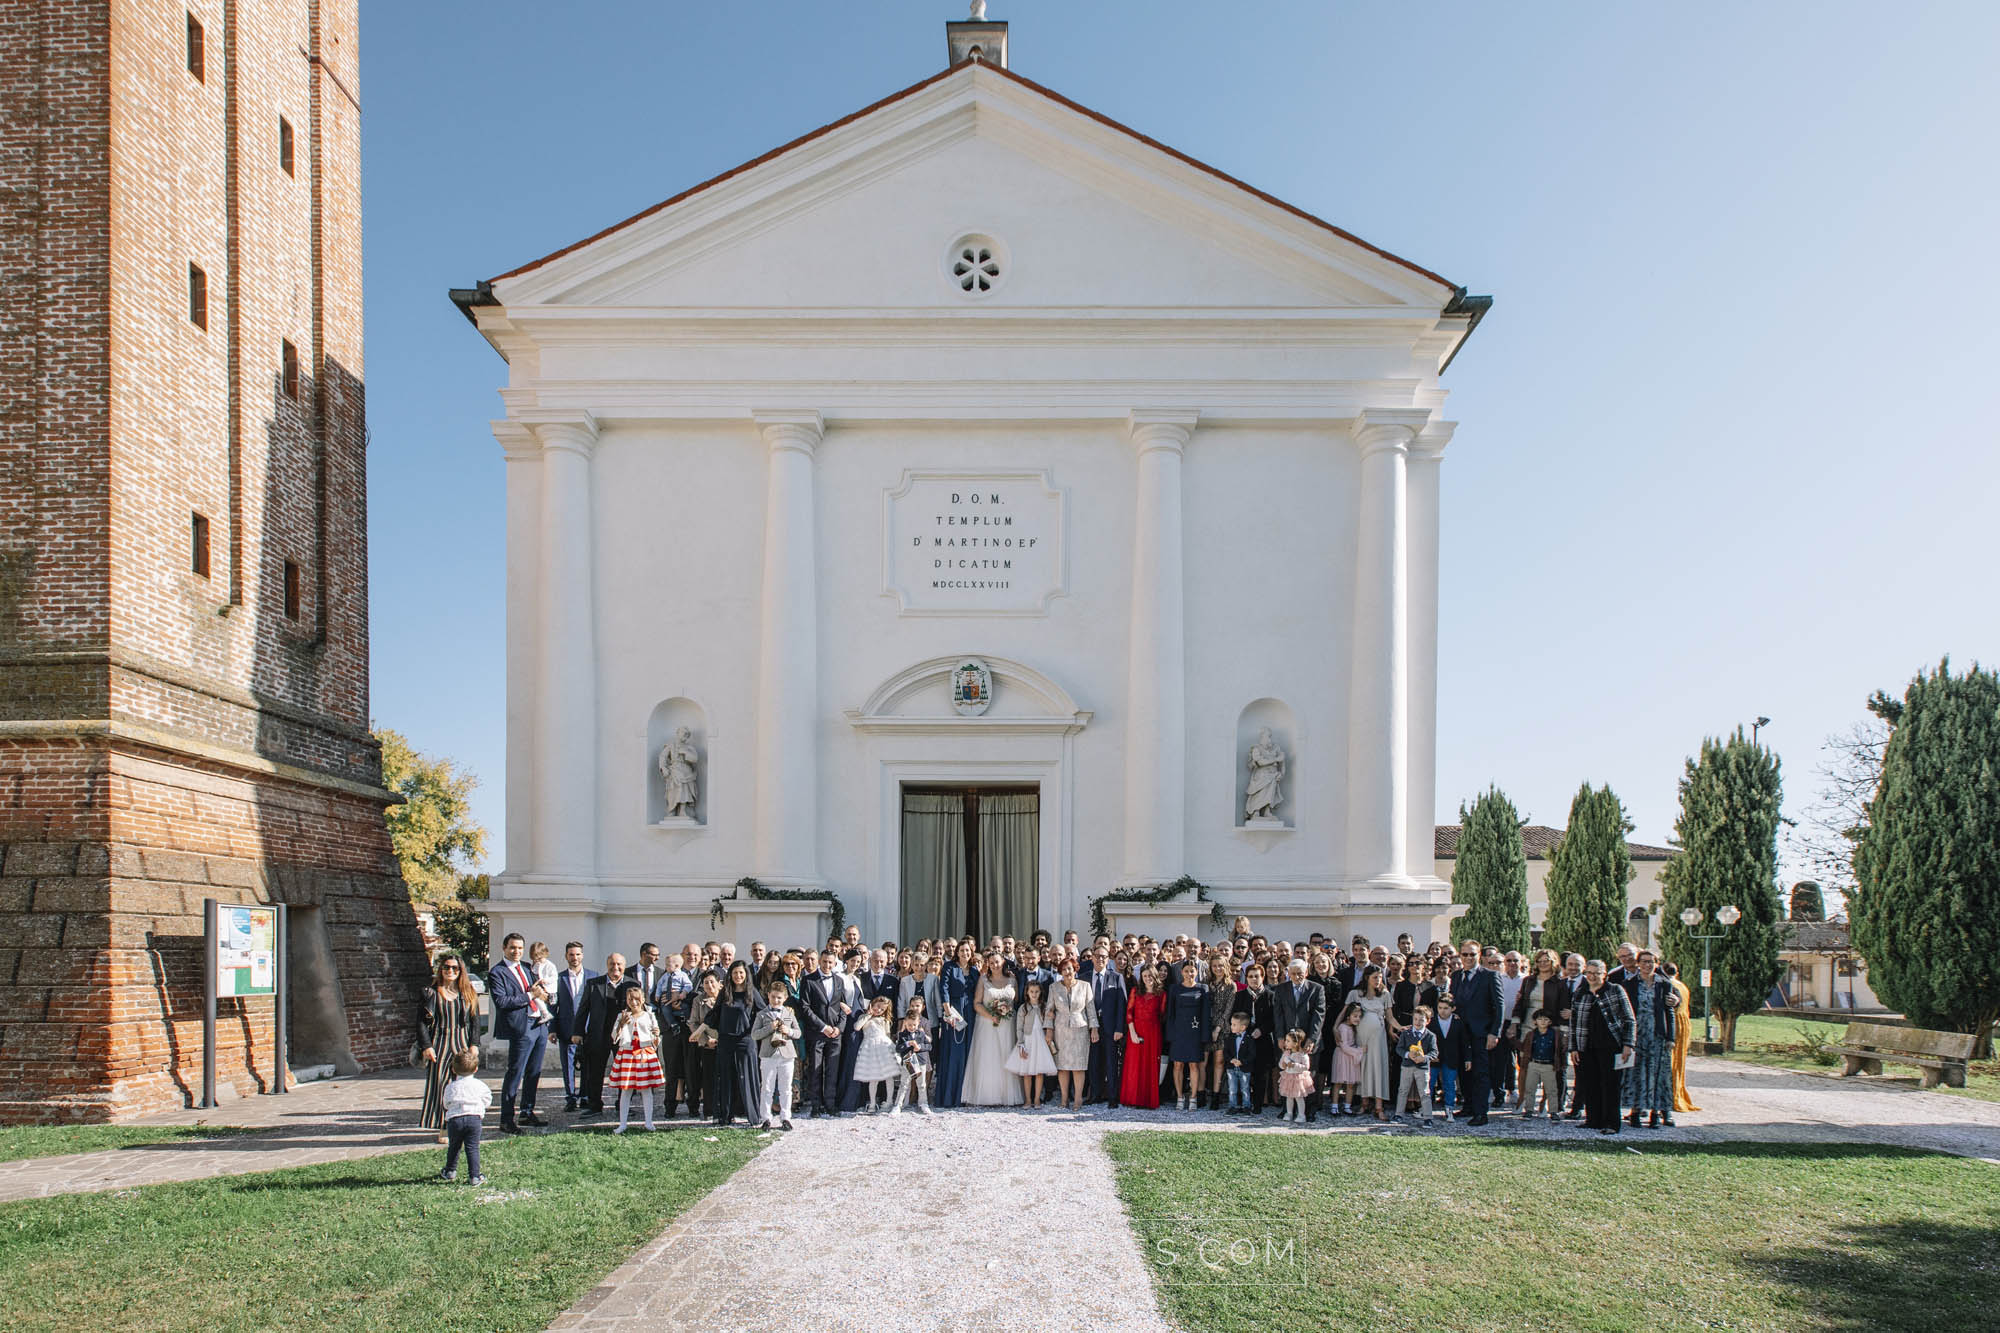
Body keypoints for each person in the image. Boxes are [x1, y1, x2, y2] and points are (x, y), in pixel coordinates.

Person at [486, 932, 550, 1133]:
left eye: (520, 948)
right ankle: (506, 1119)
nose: (517, 951)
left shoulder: (526, 968)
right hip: (521, 1028)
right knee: (515, 1073)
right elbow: (502, 1002)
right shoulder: (497, 972)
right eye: (513, 948)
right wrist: (531, 994)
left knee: (534, 1072)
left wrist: (545, 995)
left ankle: (527, 1112)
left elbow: (538, 990)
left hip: (538, 1025)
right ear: (504, 948)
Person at [1568, 958, 1636, 1134]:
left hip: (1611, 1044)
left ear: (1604, 974)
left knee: (1611, 1085)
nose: (1592, 976)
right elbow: (1574, 1023)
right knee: (1590, 1083)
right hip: (1586, 1045)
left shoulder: (1615, 990)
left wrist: (1628, 1044)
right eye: (1589, 973)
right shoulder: (1580, 992)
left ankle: (1611, 1123)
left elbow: (1629, 1019)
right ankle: (1593, 1119)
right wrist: (1573, 1047)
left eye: (1596, 973)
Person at [419, 953, 480, 1139]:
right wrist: (426, 1046)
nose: (450, 971)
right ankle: (443, 1125)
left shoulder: (468, 992)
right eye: (446, 967)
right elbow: (420, 1022)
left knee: (461, 1086)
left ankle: (459, 1123)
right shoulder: (431, 992)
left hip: (461, 1043)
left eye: (455, 968)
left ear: (461, 970)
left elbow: (475, 1020)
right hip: (439, 1042)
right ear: (441, 969)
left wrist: (474, 1044)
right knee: (440, 1085)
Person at [1623, 949, 1682, 1128]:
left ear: (1656, 964)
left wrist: (1670, 1037)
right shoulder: (1630, 984)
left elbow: (1669, 1011)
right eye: (1644, 961)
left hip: (1657, 1034)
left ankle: (1656, 1112)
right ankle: (1635, 1110)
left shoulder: (1663, 984)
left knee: (1657, 1074)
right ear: (1638, 964)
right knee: (1636, 1072)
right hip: (1637, 1034)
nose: (1648, 965)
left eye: (1651, 961)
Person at [1449, 940, 1503, 1126]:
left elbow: (1499, 1006)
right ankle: (1469, 1106)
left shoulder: (1489, 976)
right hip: (1461, 1033)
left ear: (1479, 955)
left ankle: (1481, 1113)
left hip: (1482, 1033)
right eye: (1465, 954)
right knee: (1465, 1072)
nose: (1468, 958)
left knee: (1481, 1072)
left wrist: (1494, 1033)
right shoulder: (1456, 976)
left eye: (1472, 954)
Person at [964, 951, 1025, 1106]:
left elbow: (1016, 1000)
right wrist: (991, 1015)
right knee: (989, 1058)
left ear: (1003, 962)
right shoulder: (983, 979)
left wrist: (1005, 1009)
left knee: (1006, 1055)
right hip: (987, 1023)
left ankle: (1007, 1096)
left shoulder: (1012, 979)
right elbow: (976, 1003)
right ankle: (988, 1095)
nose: (995, 965)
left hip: (1007, 1023)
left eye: (997, 962)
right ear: (988, 964)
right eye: (991, 963)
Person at [709, 960, 763, 1125]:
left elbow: (763, 1013)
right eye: (735, 973)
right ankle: (725, 1115)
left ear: (746, 974)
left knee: (747, 1077)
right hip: (726, 1040)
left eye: (741, 973)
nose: (738, 976)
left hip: (745, 1040)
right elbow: (715, 1014)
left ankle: (752, 1116)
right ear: (730, 975)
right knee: (725, 1078)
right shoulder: (725, 992)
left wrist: (754, 1030)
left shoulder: (752, 992)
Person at [606, 984, 665, 1133]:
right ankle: (623, 1123)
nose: (634, 1002)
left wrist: (656, 1035)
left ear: (643, 999)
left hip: (645, 1054)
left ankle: (648, 1122)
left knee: (646, 1090)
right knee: (626, 1090)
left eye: (637, 999)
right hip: (627, 1054)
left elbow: (655, 1039)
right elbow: (614, 1037)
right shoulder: (622, 1016)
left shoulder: (649, 1015)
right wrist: (621, 1025)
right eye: (630, 999)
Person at [574, 953, 628, 1116]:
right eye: (612, 964)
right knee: (595, 1072)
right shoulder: (593, 984)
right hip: (598, 1034)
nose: (615, 967)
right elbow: (583, 1009)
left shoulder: (632, 984)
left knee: (623, 1071)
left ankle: (623, 1104)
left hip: (622, 1036)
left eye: (619, 964)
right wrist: (577, 1032)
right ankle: (594, 1105)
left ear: (624, 966)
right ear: (607, 965)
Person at [1273, 959, 1327, 1120]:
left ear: (1306, 973)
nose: (1297, 977)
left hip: (1308, 1039)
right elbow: (1278, 1014)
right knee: (1287, 1074)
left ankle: (1309, 1110)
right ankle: (1287, 1109)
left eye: (1300, 974)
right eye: (1293, 974)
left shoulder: (1317, 989)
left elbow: (1319, 1015)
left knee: (1308, 1077)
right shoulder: (1281, 989)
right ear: (1288, 974)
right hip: (1288, 1041)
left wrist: (1312, 1039)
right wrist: (1280, 1037)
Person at [1046, 957, 1098, 1110]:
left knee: (1078, 1067)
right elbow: (1049, 1010)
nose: (1067, 972)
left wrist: (1094, 1029)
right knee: (1062, 1067)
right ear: (1060, 972)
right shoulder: (1053, 987)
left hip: (1080, 1030)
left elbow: (1091, 1009)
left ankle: (1077, 1099)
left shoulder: (1085, 986)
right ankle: (1063, 1099)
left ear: (1075, 969)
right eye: (1064, 969)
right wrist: (1049, 1031)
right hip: (1061, 1030)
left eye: (1070, 968)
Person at [1346, 964, 1395, 1121]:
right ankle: (1364, 1103)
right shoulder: (1356, 994)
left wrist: (1400, 1028)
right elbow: (1345, 1012)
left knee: (1378, 1068)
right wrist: (1336, 1027)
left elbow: (1390, 1017)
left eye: (1380, 977)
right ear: (1367, 978)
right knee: (1363, 1068)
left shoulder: (1385, 995)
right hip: (1361, 1037)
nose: (1378, 980)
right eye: (1375, 977)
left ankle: (1379, 1106)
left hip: (1378, 1038)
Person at [934, 940, 979, 1109]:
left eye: (967, 950)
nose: (965, 953)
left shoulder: (975, 970)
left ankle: (966, 1095)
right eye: (962, 950)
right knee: (955, 1053)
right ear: (957, 952)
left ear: (971, 952)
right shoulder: (949, 967)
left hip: (971, 1012)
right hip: (954, 1011)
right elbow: (943, 989)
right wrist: (948, 1012)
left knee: (968, 1052)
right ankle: (950, 1096)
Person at [435, 1049, 490, 1185]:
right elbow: (487, 1099)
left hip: (455, 1120)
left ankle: (450, 1171)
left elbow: (446, 1103)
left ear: (453, 1070)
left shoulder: (451, 1087)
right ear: (476, 1069)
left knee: (454, 1146)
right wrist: (480, 1107)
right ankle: (475, 1176)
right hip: (474, 1119)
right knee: (472, 1147)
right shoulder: (480, 1085)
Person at [801, 950, 846, 1118]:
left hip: (835, 1034)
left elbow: (843, 1007)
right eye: (825, 962)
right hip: (817, 1032)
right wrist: (822, 1027)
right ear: (820, 961)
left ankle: (830, 1104)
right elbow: (805, 1007)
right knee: (815, 1069)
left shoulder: (839, 981)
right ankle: (816, 1105)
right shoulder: (808, 980)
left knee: (832, 1069)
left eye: (830, 962)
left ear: (835, 964)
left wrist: (839, 1028)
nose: (827, 965)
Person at [751, 980, 800, 1131]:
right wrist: (769, 1028)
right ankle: (766, 1117)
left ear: (784, 998)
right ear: (768, 996)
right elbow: (754, 1034)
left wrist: (789, 1031)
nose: (776, 1000)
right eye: (773, 997)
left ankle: (785, 1117)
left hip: (786, 1055)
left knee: (785, 1088)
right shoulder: (762, 1014)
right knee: (767, 1087)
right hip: (768, 1055)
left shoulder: (789, 1013)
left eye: (779, 998)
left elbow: (798, 1033)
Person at [551, 942, 595, 1112]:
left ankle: (584, 1095)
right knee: (567, 1065)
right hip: (565, 1028)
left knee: (587, 1064)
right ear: (566, 956)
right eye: (571, 954)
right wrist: (552, 1029)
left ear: (582, 955)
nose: (574, 958)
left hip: (587, 1027)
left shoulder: (592, 976)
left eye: (577, 954)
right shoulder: (558, 978)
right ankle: (570, 1097)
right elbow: (553, 1006)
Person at [1004, 978, 1058, 1108]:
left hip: (1040, 1041)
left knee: (1039, 1072)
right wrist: (1021, 1043)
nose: (1034, 994)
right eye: (1031, 991)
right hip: (1027, 1041)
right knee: (1027, 1072)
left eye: (1037, 992)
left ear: (1040, 993)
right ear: (1027, 993)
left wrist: (1052, 1016)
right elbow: (1019, 1027)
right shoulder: (1023, 1008)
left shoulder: (1044, 1007)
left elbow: (1050, 1022)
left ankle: (1037, 1099)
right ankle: (1028, 1100)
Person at [1164, 959, 1210, 1111]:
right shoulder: (1174, 989)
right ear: (1181, 972)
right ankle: (1179, 1097)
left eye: (1192, 971)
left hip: (1195, 1032)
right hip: (1178, 1032)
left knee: (1194, 1065)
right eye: (1186, 971)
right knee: (1177, 1065)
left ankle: (1194, 1097)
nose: (1189, 974)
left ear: (1197, 972)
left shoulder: (1203, 988)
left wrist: (1204, 1036)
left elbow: (1205, 1014)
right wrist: (1170, 1034)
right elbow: (1170, 1013)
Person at [1119, 966, 1167, 1110]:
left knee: (1150, 1065)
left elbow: (1162, 1015)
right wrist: (1132, 1033)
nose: (1147, 978)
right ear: (1141, 977)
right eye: (1145, 975)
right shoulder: (1135, 991)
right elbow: (1129, 1013)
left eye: (1150, 975)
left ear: (1155, 976)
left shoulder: (1162, 994)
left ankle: (1148, 1100)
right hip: (1136, 1031)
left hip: (1153, 1033)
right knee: (1134, 1064)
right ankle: (1132, 1098)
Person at [1086, 946, 1127, 1107]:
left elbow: (1121, 1005)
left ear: (1108, 959)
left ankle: (1112, 1097)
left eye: (1104, 957)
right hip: (1091, 1026)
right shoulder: (1084, 977)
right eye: (1097, 956)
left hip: (1110, 1027)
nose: (1100, 959)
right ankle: (1095, 1095)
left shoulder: (1116, 978)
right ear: (1092, 958)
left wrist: (1119, 1028)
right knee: (1094, 1061)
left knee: (1111, 1062)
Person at [850, 993, 901, 1112]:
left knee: (889, 1075)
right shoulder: (864, 1017)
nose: (878, 1010)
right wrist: (868, 1015)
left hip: (883, 1047)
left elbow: (887, 1035)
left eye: (882, 1009)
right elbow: (857, 1027)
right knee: (873, 1077)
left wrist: (892, 1049)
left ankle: (889, 1101)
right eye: (877, 1006)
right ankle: (872, 1103)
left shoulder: (884, 1020)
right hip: (869, 1048)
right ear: (872, 1003)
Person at [1664, 961, 1701, 1114]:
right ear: (1676, 972)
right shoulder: (1682, 986)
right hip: (1684, 1023)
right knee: (1679, 1061)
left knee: (1671, 1062)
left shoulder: (1668, 986)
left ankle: (1672, 1095)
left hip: (1674, 1023)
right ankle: (1677, 1092)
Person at [684, 971, 721, 1120]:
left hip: (725, 1043)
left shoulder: (725, 998)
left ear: (719, 983)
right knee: (708, 1078)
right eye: (706, 982)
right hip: (708, 1045)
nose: (709, 985)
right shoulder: (698, 1000)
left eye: (712, 982)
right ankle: (709, 1110)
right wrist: (706, 1040)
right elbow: (693, 1022)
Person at [1396, 1005, 1438, 1126]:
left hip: (1422, 1067)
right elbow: (1399, 1048)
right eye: (1415, 1019)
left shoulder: (1430, 1036)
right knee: (1403, 1090)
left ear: (1427, 1021)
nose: (1418, 1022)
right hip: (1407, 1065)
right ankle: (1398, 1114)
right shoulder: (1406, 1033)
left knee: (1424, 1092)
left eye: (1421, 1020)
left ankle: (1428, 1117)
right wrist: (1408, 1054)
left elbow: (1434, 1052)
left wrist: (1424, 1058)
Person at [893, 1000, 934, 1115]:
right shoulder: (902, 1035)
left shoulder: (921, 1034)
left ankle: (923, 1104)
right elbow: (898, 1048)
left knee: (922, 1084)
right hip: (908, 1062)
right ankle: (897, 1105)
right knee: (904, 1084)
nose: (912, 1027)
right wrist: (907, 1044)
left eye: (914, 1025)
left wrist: (919, 1047)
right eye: (909, 1025)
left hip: (921, 1062)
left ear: (918, 1023)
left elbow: (929, 1046)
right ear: (905, 1023)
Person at [1520, 1011, 1562, 1118]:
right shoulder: (1531, 1034)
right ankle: (1529, 1109)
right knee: (1530, 1087)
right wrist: (1512, 1040)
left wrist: (1560, 1063)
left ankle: (1553, 1111)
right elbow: (1524, 1047)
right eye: (1539, 1019)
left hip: (1548, 1065)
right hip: (1534, 1063)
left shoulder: (1555, 1035)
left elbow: (1560, 1050)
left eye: (1546, 1019)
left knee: (1551, 1089)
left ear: (1550, 1022)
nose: (1542, 1022)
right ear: (1535, 1021)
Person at [1431, 994, 1467, 1117]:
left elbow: (1464, 1042)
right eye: (1440, 1007)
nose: (1442, 1011)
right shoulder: (1432, 1021)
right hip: (1434, 1058)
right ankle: (1426, 1108)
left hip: (1451, 1058)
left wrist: (1468, 1058)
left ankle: (1449, 1108)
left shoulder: (1458, 1022)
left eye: (1446, 1008)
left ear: (1453, 1008)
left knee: (1449, 1083)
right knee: (1429, 1083)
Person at [1329, 1001, 1363, 1116]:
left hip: (1350, 1057)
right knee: (1338, 1082)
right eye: (1355, 1016)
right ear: (1348, 1016)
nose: (1357, 1019)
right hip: (1343, 1057)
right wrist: (1359, 1051)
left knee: (1351, 1083)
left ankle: (1347, 1106)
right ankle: (1334, 1105)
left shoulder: (1353, 1028)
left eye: (1359, 1016)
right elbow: (1344, 1046)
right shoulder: (1343, 1028)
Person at [1220, 1010, 1256, 1114]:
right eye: (1231, 1024)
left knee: (1245, 1088)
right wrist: (1231, 1060)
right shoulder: (1229, 1038)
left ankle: (1246, 1107)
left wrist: (1242, 1062)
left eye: (1234, 1025)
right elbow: (1225, 1052)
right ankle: (1232, 1106)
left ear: (1243, 1027)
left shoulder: (1249, 1039)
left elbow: (1252, 1054)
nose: (1231, 1026)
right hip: (1231, 1068)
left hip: (1244, 1068)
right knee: (1232, 1089)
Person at [1277, 1030, 1314, 1124]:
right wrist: (1284, 1065)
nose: (1285, 1042)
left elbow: (1306, 1067)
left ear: (1296, 1043)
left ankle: (1301, 1115)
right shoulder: (1286, 1053)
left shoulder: (1302, 1054)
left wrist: (1293, 1065)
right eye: (1286, 1040)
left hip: (1298, 1079)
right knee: (1289, 1096)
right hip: (1288, 1078)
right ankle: (1289, 1113)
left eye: (1288, 1041)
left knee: (1298, 1097)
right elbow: (1281, 1064)